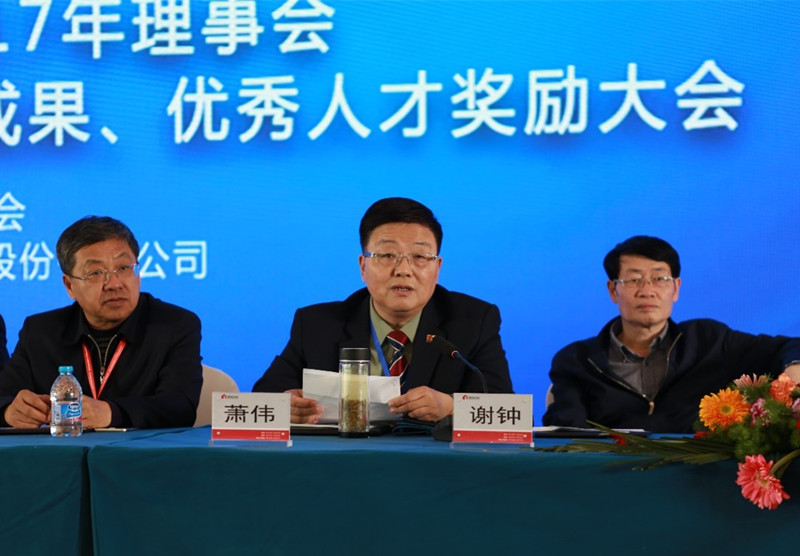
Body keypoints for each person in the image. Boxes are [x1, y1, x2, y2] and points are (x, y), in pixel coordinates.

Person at [253, 197, 513, 424]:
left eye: (420, 257)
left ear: (437, 268)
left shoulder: (473, 321)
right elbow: (262, 400)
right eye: (387, 255)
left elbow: (512, 414)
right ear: (363, 266)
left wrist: (452, 408)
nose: (403, 270)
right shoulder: (317, 325)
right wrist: (285, 406)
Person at [542, 235, 800, 433]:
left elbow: (787, 346)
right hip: (611, 476)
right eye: (633, 280)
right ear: (613, 290)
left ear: (676, 288)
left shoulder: (709, 340)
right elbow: (567, 435)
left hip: (698, 476)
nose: (647, 290)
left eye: (659, 279)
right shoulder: (577, 360)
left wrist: (794, 368)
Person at [0, 216, 203, 429]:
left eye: (123, 267)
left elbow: (180, 407)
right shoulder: (41, 332)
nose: (114, 284)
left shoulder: (175, 325)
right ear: (69, 285)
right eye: (96, 273)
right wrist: (8, 412)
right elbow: (5, 396)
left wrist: (110, 413)